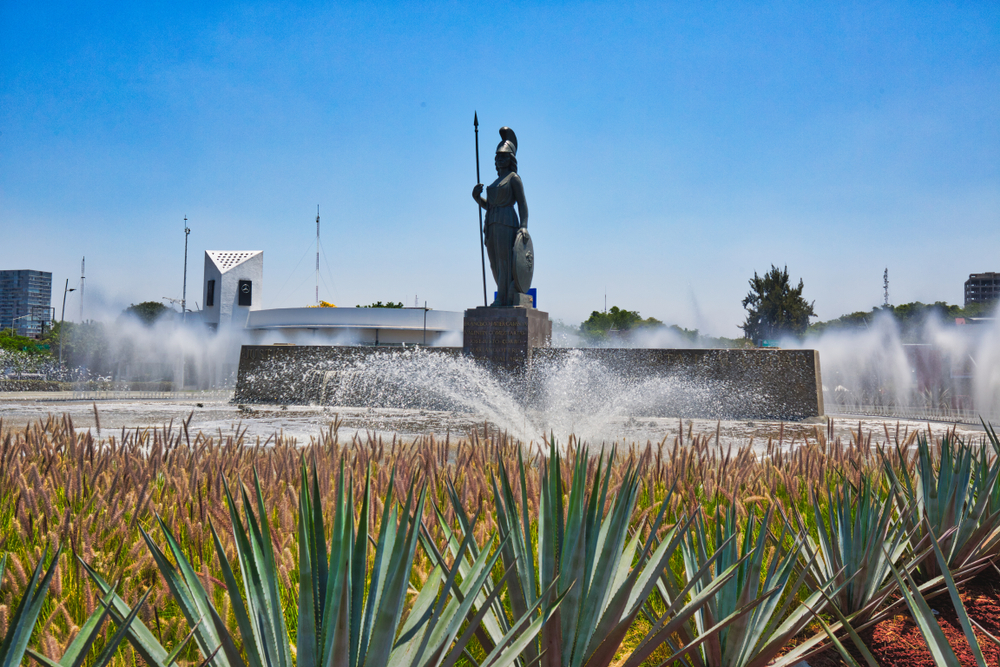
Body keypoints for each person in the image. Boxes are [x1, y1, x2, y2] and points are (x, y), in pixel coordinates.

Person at [472, 127, 528, 307]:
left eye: (503, 156)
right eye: (498, 157)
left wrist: (524, 225)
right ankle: (502, 295)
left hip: (506, 221)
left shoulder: (514, 178)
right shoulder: (495, 182)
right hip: (491, 222)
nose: (499, 159)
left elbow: (522, 204)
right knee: (494, 263)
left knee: (504, 261)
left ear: (511, 159)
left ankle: (501, 298)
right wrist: (476, 197)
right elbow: (489, 205)